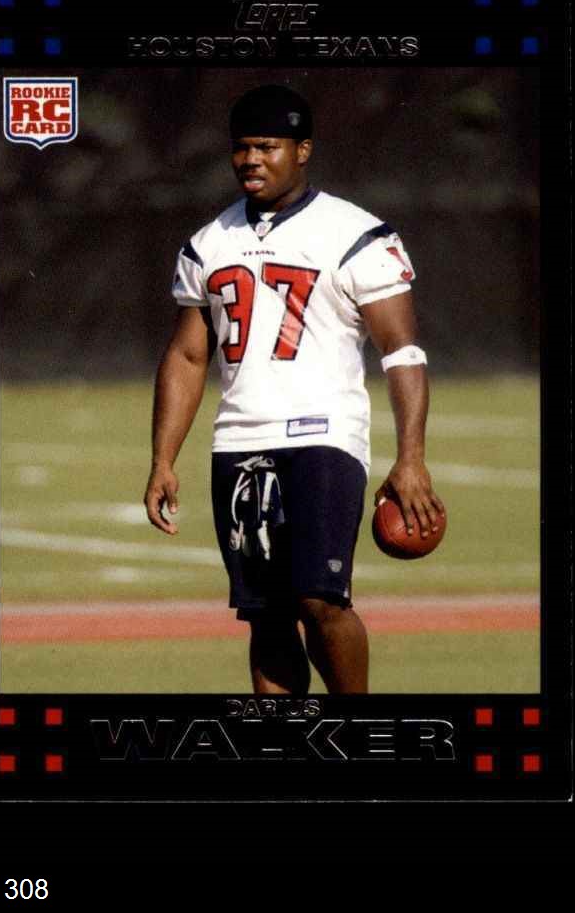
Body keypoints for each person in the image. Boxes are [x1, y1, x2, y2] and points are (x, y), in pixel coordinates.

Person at [144, 84, 444, 695]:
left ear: (302, 150)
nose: (250, 160)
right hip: (238, 441)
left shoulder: (354, 232)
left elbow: (402, 352)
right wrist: (162, 459)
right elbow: (187, 354)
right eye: (241, 148)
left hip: (323, 436)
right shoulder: (208, 242)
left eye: (266, 146)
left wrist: (411, 457)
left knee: (320, 599)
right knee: (266, 614)